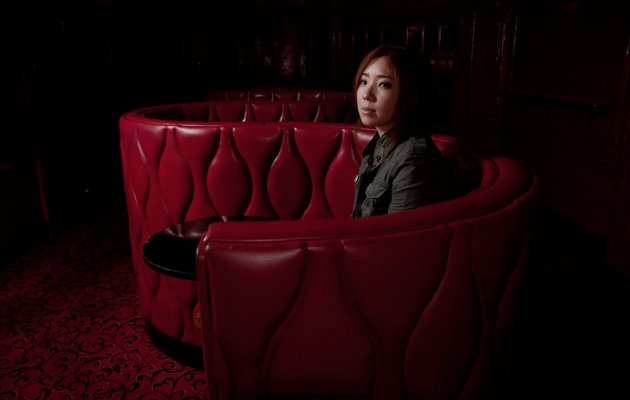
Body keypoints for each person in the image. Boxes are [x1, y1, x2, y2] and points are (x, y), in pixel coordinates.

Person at [351, 44, 447, 218]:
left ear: (412, 96)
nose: (366, 94)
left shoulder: (414, 158)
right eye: (364, 81)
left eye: (384, 84)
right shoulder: (381, 143)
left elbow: (399, 233)